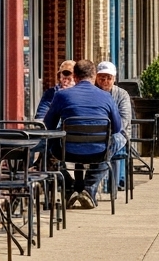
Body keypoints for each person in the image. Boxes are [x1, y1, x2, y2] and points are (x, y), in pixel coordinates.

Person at [43, 59, 122, 209]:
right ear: (94, 77)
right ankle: (89, 187)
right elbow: (117, 128)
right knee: (117, 140)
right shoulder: (107, 97)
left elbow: (48, 125)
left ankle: (70, 187)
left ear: (75, 77)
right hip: (99, 152)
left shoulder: (61, 96)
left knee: (48, 144)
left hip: (67, 152)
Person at [94, 62, 132, 191]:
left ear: (114, 79)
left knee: (114, 140)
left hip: (117, 133)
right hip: (95, 134)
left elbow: (124, 121)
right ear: (96, 77)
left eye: (108, 78)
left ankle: (111, 184)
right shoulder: (92, 92)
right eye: (102, 78)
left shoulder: (122, 94)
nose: (105, 81)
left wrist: (107, 130)